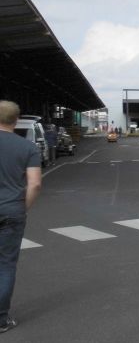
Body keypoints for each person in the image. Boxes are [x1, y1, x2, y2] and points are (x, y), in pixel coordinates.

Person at [0, 100, 42, 333]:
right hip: (11, 211)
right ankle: (1, 319)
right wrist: (21, 208)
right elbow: (34, 184)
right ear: (16, 121)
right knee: (5, 265)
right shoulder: (27, 147)